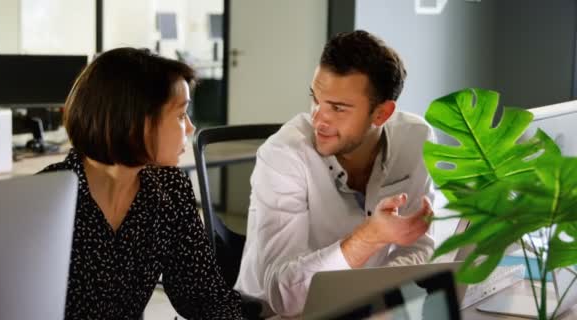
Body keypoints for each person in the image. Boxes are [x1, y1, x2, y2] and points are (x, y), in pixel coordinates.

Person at [234, 30, 435, 317]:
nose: (318, 118)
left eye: (337, 108)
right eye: (315, 98)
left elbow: (418, 247)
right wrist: (368, 238)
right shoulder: (283, 154)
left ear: (381, 114)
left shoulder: (416, 139)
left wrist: (376, 296)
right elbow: (283, 296)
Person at [41, 48, 242, 320]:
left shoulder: (170, 188)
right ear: (139, 122)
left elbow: (204, 296)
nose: (191, 128)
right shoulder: (45, 196)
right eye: (181, 115)